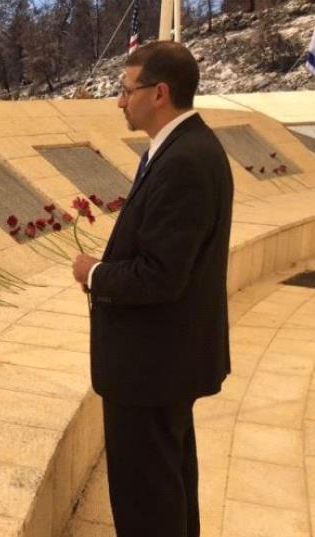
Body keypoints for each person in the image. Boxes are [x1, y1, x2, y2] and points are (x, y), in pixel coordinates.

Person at [71, 41, 233, 537]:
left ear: (159, 93)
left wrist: (94, 274)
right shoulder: (181, 149)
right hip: (165, 362)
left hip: (151, 368)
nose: (120, 101)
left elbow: (161, 275)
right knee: (168, 486)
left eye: (125, 90)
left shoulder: (184, 160)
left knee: (147, 501)